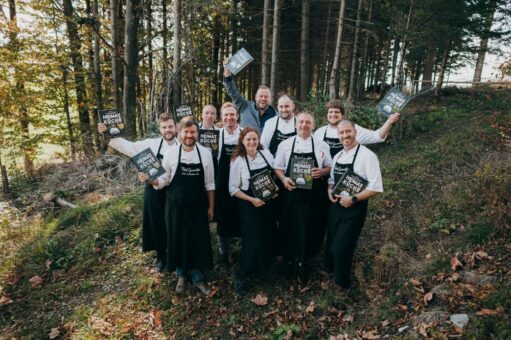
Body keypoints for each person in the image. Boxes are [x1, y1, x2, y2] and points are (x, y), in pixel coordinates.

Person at [98, 113, 177, 272]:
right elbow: (129, 147)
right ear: (160, 129)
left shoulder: (181, 145)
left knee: (174, 224)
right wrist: (107, 133)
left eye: (170, 126)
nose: (167, 130)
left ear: (175, 127)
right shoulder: (152, 144)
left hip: (174, 191)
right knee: (156, 224)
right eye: (164, 127)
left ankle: (175, 255)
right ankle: (161, 257)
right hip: (153, 191)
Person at [148, 117, 215, 296]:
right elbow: (164, 179)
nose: (189, 135)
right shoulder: (171, 154)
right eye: (186, 132)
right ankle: (181, 275)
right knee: (177, 239)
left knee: (198, 240)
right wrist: (153, 180)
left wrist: (211, 207)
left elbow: (209, 184)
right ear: (179, 133)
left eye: (193, 132)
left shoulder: (205, 153)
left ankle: (198, 277)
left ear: (197, 133)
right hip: (175, 207)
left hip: (198, 206)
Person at [274, 112, 332, 283]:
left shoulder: (322, 145)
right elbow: (277, 167)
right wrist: (284, 178)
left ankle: (305, 260)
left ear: (313, 125)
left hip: (314, 196)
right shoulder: (285, 145)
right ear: (295, 124)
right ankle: (290, 259)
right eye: (301, 122)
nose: (304, 125)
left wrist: (322, 171)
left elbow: (329, 166)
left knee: (311, 226)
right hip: (291, 194)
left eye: (308, 122)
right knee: (289, 226)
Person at [327, 119, 383, 290]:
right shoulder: (337, 156)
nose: (345, 136)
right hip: (335, 207)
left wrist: (353, 199)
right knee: (331, 244)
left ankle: (343, 286)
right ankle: (333, 274)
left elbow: (376, 188)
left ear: (355, 132)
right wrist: (329, 191)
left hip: (355, 208)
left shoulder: (368, 156)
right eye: (341, 133)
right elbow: (331, 180)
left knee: (341, 247)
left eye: (348, 132)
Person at [229, 127, 276, 293]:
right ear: (242, 141)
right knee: (252, 239)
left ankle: (261, 269)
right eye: (248, 139)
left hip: (268, 203)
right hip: (249, 204)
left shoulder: (266, 154)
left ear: (259, 140)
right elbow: (233, 189)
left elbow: (274, 172)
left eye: (254, 139)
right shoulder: (238, 160)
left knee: (267, 234)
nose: (252, 142)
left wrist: (274, 186)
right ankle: (242, 274)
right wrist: (251, 199)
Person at [313, 99, 400, 158]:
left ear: (342, 115)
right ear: (327, 115)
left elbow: (377, 136)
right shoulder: (319, 132)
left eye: (337, 112)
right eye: (330, 112)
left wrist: (389, 121)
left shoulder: (353, 130)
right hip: (324, 176)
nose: (333, 114)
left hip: (345, 174)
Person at [215, 102, 243, 264]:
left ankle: (239, 249)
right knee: (223, 216)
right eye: (226, 115)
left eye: (232, 114)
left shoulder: (244, 133)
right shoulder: (217, 135)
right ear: (222, 117)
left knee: (239, 215)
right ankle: (223, 251)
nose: (229, 117)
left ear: (237, 116)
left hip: (241, 181)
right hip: (222, 181)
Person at [223, 58, 276, 131]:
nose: (263, 98)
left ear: (270, 99)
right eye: (261, 96)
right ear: (255, 97)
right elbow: (232, 91)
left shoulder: (276, 115)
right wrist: (227, 71)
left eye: (266, 97)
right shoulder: (244, 106)